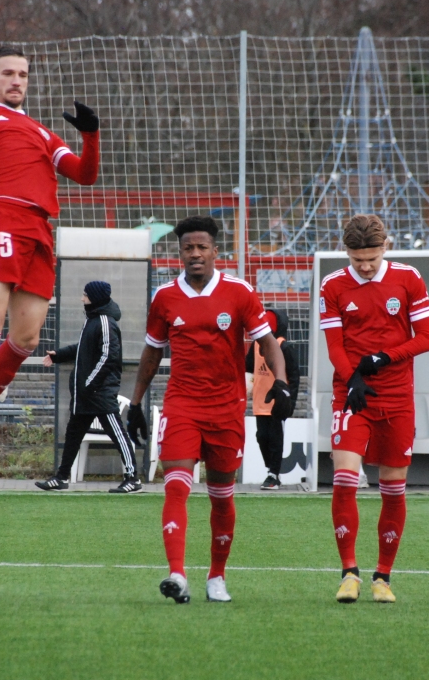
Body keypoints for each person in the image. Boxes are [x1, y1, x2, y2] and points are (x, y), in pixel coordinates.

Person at [127, 216, 292, 604]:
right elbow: (152, 352)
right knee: (176, 485)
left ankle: (216, 576)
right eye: (188, 248)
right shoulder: (165, 297)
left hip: (227, 408)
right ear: (179, 252)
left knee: (221, 495)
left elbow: (267, 343)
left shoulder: (239, 292)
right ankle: (177, 574)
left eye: (202, 247)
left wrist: (279, 383)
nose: (195, 254)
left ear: (216, 251)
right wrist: (135, 402)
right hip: (182, 403)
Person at [0, 45, 100, 467]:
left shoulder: (40, 131)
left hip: (39, 229)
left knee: (26, 338)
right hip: (0, 215)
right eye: (8, 73)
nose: (17, 80)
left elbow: (85, 175)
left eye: (23, 74)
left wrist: (91, 134)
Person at [319, 214, 429, 604]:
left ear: (385, 248)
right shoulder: (332, 285)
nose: (365, 266)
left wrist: (384, 358)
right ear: (346, 252)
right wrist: (351, 377)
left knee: (393, 489)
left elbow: (426, 339)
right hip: (353, 395)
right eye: (357, 259)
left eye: (371, 257)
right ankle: (349, 572)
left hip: (397, 397)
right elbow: (335, 343)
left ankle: (382, 577)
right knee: (345, 479)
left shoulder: (408, 279)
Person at [35, 281, 141, 493]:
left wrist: (89, 384)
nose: (82, 299)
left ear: (95, 298)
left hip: (99, 394)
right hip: (86, 394)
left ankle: (133, 479)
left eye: (85, 295)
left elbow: (108, 357)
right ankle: (61, 477)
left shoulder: (105, 321)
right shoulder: (93, 320)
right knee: (73, 434)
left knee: (118, 434)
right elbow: (83, 347)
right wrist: (60, 355)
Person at [244, 309, 300, 489]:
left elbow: (295, 376)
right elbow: (247, 368)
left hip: (278, 402)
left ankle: (273, 475)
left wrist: (289, 402)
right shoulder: (256, 345)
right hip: (260, 400)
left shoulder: (284, 347)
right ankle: (271, 469)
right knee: (261, 436)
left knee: (275, 438)